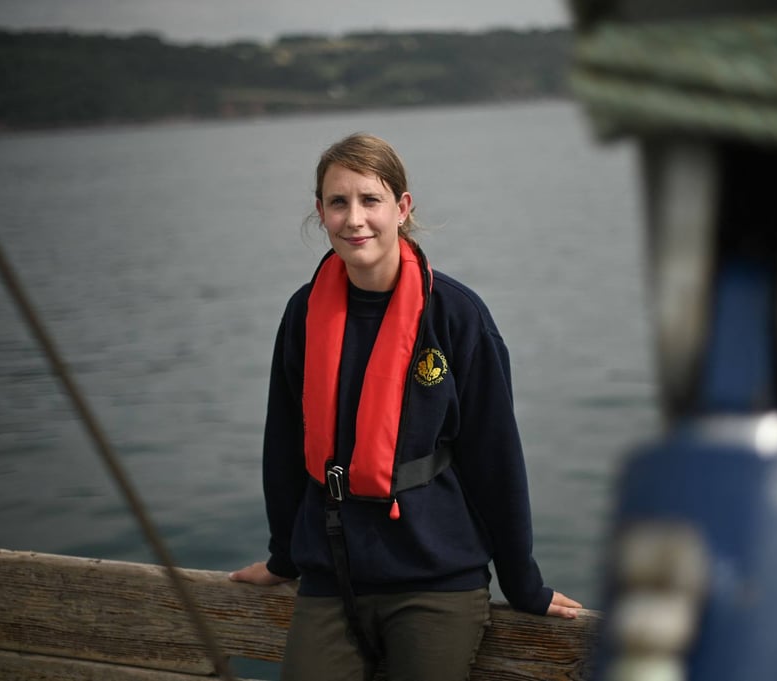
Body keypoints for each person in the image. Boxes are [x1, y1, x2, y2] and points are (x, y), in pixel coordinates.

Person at [229, 132, 581, 681]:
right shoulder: (303, 313)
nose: (355, 219)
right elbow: (284, 445)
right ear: (319, 212)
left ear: (402, 207)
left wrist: (522, 582)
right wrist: (283, 558)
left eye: (370, 200)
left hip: (434, 579)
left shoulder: (456, 316)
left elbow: (496, 458)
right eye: (338, 202)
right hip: (331, 576)